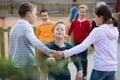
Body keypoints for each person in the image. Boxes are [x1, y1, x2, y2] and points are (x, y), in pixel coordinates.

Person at [53, 4, 119, 80]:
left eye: (95, 17)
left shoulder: (98, 31)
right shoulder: (115, 29)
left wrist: (64, 53)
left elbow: (83, 46)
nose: (94, 19)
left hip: (100, 68)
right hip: (112, 68)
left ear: (101, 18)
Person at [8, 2, 55, 80]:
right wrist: (49, 51)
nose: (36, 17)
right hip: (29, 67)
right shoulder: (27, 26)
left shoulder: (13, 28)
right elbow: (35, 42)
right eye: (35, 14)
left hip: (16, 67)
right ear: (29, 14)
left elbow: (11, 49)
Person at [66, 4, 91, 80]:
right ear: (78, 12)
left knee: (84, 58)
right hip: (76, 43)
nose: (82, 13)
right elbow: (70, 31)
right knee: (78, 59)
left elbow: (88, 33)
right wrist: (67, 36)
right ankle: (79, 72)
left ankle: (85, 74)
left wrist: (87, 42)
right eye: (81, 12)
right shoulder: (74, 22)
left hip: (84, 44)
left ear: (86, 13)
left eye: (84, 12)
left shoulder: (87, 22)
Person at [36, 9, 55, 80]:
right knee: (41, 65)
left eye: (45, 15)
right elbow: (37, 36)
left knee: (51, 63)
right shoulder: (39, 26)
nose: (44, 17)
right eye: (42, 16)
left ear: (48, 16)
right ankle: (44, 78)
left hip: (50, 48)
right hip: (41, 48)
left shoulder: (53, 24)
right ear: (40, 17)